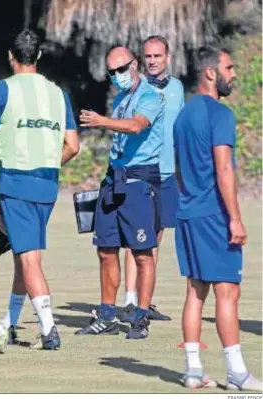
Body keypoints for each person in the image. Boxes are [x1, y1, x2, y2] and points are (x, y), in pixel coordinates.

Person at [0, 29, 79, 350]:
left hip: (15, 182)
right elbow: (73, 146)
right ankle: (10, 321)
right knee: (25, 255)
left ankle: (49, 330)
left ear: (11, 56)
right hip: (47, 185)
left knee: (29, 259)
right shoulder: (57, 93)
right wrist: (49, 160)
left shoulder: (0, 91)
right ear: (39, 56)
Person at [173, 46, 262, 390]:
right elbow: (224, 168)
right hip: (213, 215)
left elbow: (179, 170)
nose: (234, 74)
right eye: (229, 67)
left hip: (188, 212)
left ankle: (193, 371)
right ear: (211, 73)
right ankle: (237, 373)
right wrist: (235, 218)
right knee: (228, 292)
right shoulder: (219, 114)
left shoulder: (182, 116)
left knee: (196, 291)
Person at [75, 47, 164, 339]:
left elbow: (137, 127)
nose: (117, 76)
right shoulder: (121, 99)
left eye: (121, 69)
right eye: (112, 72)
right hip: (114, 180)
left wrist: (101, 121)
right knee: (105, 250)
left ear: (134, 65)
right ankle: (107, 315)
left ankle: (140, 317)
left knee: (141, 254)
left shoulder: (150, 97)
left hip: (139, 182)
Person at [121, 36, 184, 322]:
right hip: (141, 172)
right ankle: (130, 301)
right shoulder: (136, 89)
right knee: (136, 238)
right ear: (141, 60)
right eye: (148, 56)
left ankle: (146, 302)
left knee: (155, 239)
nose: (153, 61)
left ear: (167, 57)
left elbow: (179, 130)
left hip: (168, 175)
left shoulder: (177, 88)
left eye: (158, 56)